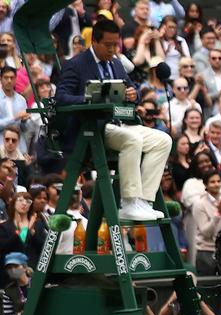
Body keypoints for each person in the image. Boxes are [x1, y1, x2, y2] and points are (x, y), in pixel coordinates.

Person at [55, 20, 170, 222]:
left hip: (121, 123)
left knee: (163, 141)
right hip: (92, 129)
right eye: (108, 44)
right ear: (95, 42)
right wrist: (90, 99)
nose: (112, 49)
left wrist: (134, 95)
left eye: (115, 44)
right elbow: (61, 98)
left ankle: (144, 201)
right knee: (131, 140)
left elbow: (131, 88)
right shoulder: (76, 64)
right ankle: (129, 202)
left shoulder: (116, 63)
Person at [1, 249, 28, 315]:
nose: (13, 270)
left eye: (16, 266)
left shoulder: (38, 282)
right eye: (9, 268)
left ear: (24, 267)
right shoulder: (8, 291)